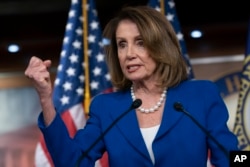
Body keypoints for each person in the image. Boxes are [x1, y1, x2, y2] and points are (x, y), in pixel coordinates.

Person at [25, 5, 238, 167]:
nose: (129, 54)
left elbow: (231, 156)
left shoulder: (200, 95)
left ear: (161, 46)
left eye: (140, 42)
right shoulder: (107, 107)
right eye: (122, 44)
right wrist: (45, 97)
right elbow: (71, 161)